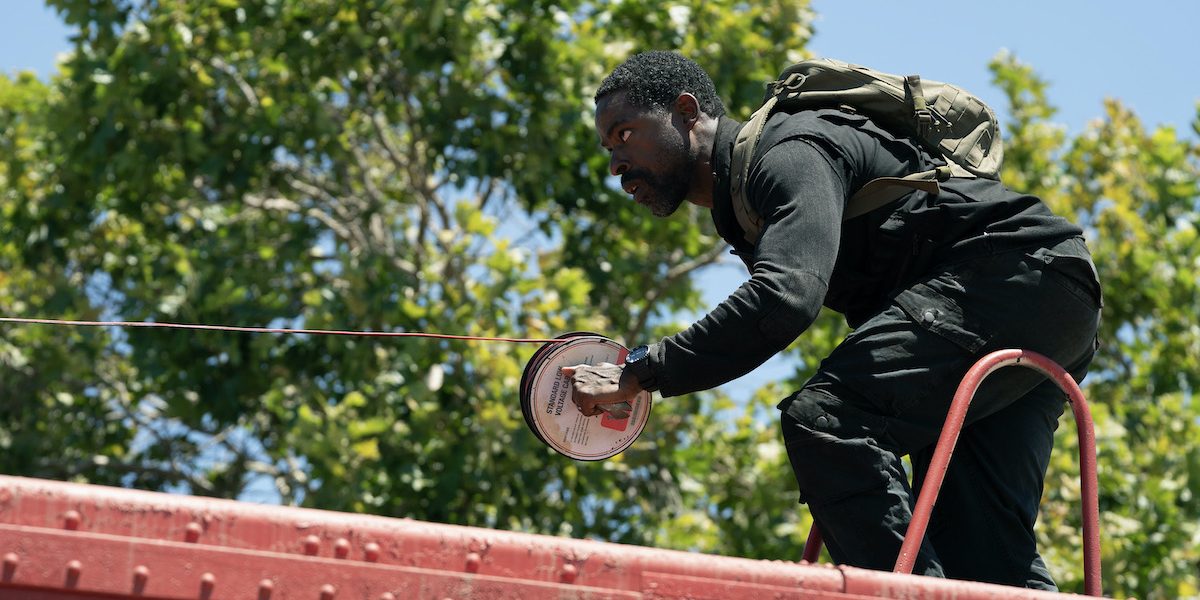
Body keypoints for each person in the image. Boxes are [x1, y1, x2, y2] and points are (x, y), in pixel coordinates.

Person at [561, 51, 1102, 590]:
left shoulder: (787, 150)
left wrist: (642, 370)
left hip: (1006, 278)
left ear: (686, 111)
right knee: (982, 552)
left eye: (625, 134)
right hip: (1055, 294)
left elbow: (784, 297)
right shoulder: (746, 199)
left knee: (827, 421)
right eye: (608, 148)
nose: (615, 164)